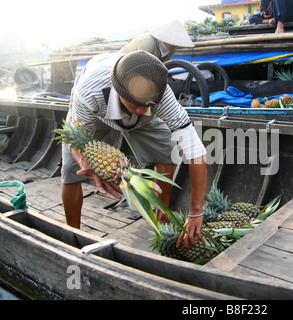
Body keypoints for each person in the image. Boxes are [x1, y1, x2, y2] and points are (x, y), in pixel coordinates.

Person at [61, 50, 206, 250]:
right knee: (70, 171)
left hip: (147, 118)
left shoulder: (160, 97)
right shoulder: (88, 92)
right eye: (134, 105)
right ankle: (72, 236)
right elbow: (76, 140)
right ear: (119, 91)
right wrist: (86, 164)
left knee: (165, 151)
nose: (139, 110)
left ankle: (162, 218)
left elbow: (196, 151)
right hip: (96, 114)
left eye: (145, 105)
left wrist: (196, 210)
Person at [119, 20, 194, 62]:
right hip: (123, 62)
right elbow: (138, 64)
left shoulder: (171, 49)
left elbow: (163, 66)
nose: (176, 46)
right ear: (166, 39)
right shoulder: (148, 42)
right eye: (173, 44)